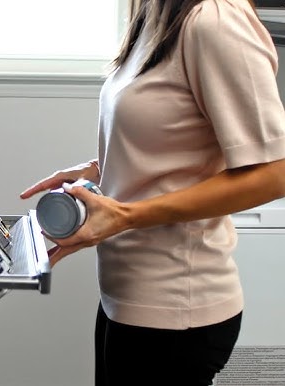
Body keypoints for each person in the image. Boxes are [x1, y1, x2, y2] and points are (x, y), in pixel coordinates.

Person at [20, 0, 285, 385]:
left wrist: (126, 217)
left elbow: (274, 173)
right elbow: (175, 141)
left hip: (175, 309)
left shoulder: (215, 19)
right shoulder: (153, 14)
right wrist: (101, 168)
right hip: (126, 296)